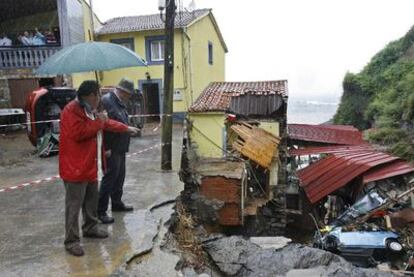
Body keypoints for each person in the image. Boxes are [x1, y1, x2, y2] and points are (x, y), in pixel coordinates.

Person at [59, 80, 139, 256]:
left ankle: (90, 227)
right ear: (90, 95)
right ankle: (71, 241)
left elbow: (107, 123)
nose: (99, 98)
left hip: (90, 165)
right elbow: (78, 133)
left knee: (91, 201)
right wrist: (99, 122)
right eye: (98, 94)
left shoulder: (90, 110)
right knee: (74, 206)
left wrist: (126, 128)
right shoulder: (71, 111)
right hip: (75, 168)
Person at [98, 78, 138, 224]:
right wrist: (106, 148)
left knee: (120, 176)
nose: (128, 98)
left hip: (120, 146)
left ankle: (116, 203)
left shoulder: (119, 101)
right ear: (122, 91)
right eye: (128, 94)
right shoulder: (107, 101)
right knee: (109, 179)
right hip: (112, 147)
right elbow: (105, 125)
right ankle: (101, 211)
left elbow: (120, 120)